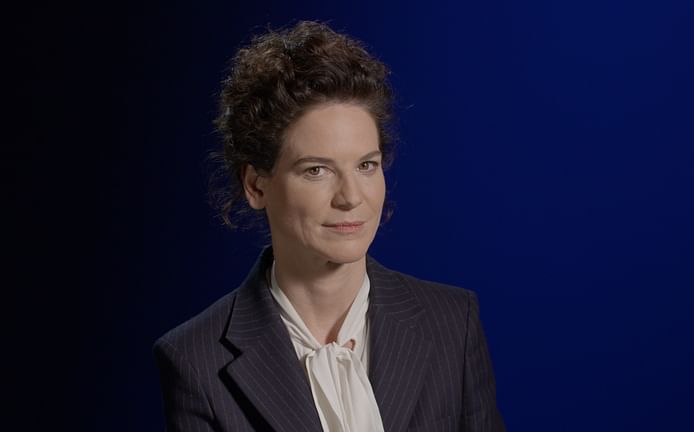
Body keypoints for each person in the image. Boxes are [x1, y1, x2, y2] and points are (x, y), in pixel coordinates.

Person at [153, 21, 505, 432]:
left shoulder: (453, 323)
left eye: (366, 165)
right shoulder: (195, 358)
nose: (351, 197)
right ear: (256, 185)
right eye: (316, 170)